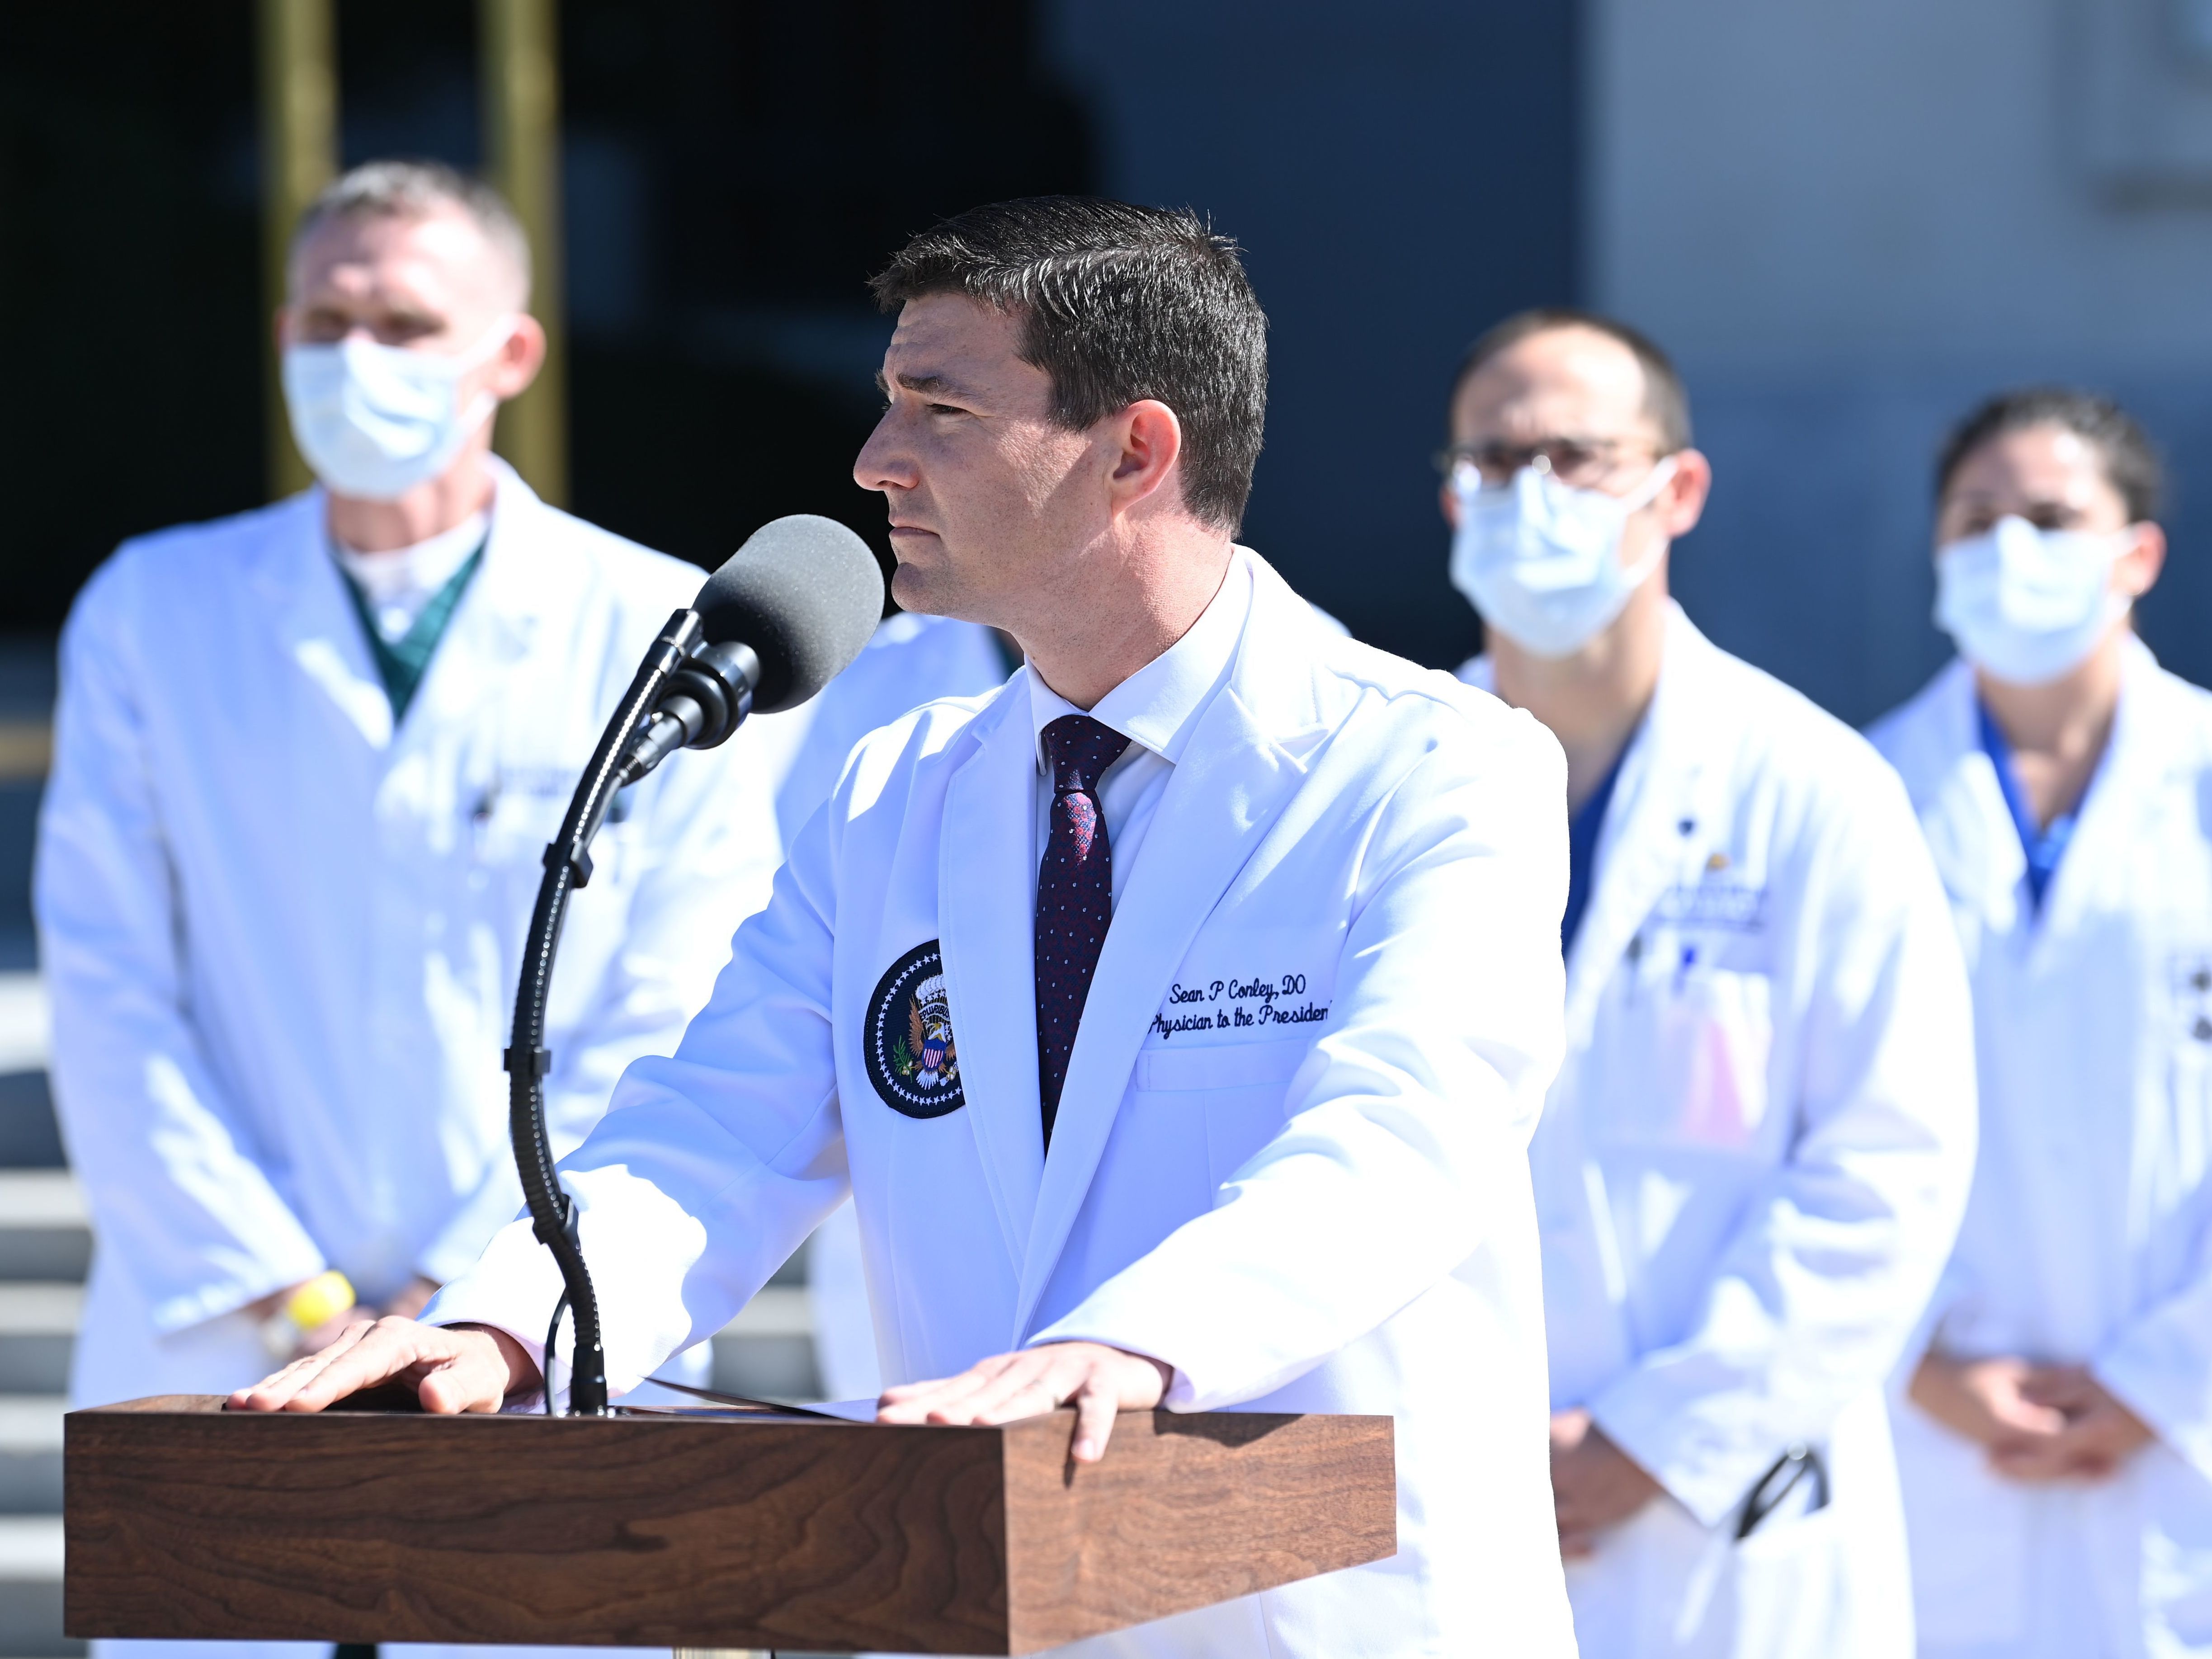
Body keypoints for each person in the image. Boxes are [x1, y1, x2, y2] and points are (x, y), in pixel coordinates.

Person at [235, 195, 1583, 1657]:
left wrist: (1126, 1346)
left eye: (940, 410)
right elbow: (718, 1126)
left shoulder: (1437, 766)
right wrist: (504, 1322)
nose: (875, 462)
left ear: (1133, 452)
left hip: (1317, 1614)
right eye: (888, 404)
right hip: (978, 1596)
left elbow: (1401, 1142)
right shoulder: (896, 793)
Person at [37, 158, 776, 1486]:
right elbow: (108, 985)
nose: (357, 357)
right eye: (326, 324)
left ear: (511, 352)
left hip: (539, 1317)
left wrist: (469, 1285)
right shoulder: (152, 611)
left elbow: (680, 1003)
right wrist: (293, 1291)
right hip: (234, 1322)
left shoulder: (664, 632)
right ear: (280, 340)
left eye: (405, 326)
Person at [1442, 308, 1976, 1657]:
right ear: (1448, 495)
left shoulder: (1815, 789)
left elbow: (1887, 1162)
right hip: (1442, 1493)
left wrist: (1652, 1437)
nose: (1528, 497)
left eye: (1573, 457)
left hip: (1732, 1530)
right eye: (1493, 465)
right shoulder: (1387, 779)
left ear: (1674, 488)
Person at [1869, 388, 2212, 1658]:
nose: (2009, 545)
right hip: (1933, 1431)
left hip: (2183, 1442)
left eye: (2051, 516)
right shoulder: (1858, 795)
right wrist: (1919, 1359)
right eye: (1976, 516)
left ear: (2136, 554)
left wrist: (2167, 1375)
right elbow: (1811, 1112)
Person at [747, 608, 1013, 1400]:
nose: (876, 475)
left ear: (1131, 473)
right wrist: (506, 1315)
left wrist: (1138, 1334)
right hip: (906, 1289)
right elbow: (777, 1042)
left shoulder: (1349, 729)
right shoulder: (868, 700)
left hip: (1191, 1391)